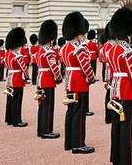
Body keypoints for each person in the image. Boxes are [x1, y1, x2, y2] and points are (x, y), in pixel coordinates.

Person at [106, 8, 132, 165]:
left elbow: (110, 72)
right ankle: (128, 160)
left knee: (116, 126)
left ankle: (117, 158)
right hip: (128, 92)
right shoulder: (126, 51)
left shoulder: (111, 50)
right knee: (127, 129)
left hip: (115, 91)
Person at [60, 12, 95, 154]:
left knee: (70, 112)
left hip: (69, 82)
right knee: (79, 114)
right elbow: (86, 66)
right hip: (79, 82)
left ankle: (69, 142)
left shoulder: (64, 48)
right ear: (78, 32)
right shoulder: (78, 49)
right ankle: (78, 143)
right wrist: (91, 78)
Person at [36, 20, 63, 139]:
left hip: (40, 79)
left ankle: (40, 130)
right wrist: (58, 77)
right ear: (51, 39)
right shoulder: (49, 52)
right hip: (47, 80)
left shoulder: (39, 51)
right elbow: (54, 67)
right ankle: (46, 130)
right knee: (48, 105)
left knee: (42, 105)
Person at [4, 27, 28, 127]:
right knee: (17, 101)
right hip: (17, 79)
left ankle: (9, 119)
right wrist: (26, 77)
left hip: (9, 79)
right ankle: (16, 120)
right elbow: (24, 68)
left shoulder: (8, 55)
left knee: (10, 100)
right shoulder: (17, 56)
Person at [99, 24, 114, 124]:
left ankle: (108, 117)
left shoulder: (104, 47)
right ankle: (111, 116)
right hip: (113, 70)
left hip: (107, 70)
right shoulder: (113, 46)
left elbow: (102, 59)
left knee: (108, 93)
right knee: (113, 94)